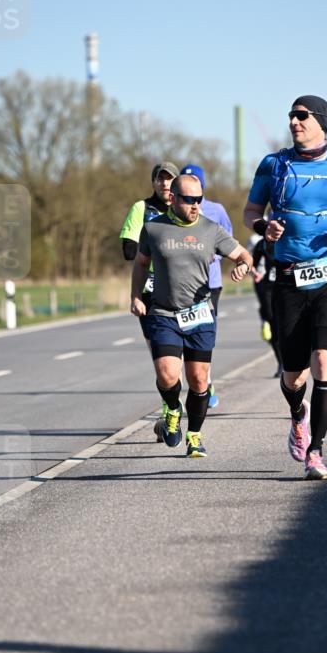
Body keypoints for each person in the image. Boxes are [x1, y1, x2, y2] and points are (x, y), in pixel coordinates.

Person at [244, 94, 327, 480]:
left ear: (321, 121)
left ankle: (316, 452)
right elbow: (251, 211)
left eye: (301, 115)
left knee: (324, 360)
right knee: (293, 376)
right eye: (291, 115)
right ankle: (297, 415)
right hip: (288, 277)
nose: (293, 121)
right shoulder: (273, 165)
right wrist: (261, 227)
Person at [130, 174, 253, 458]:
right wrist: (136, 295)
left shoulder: (211, 229)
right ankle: (173, 408)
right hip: (163, 312)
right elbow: (140, 263)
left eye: (199, 199)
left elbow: (244, 255)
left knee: (199, 380)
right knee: (168, 374)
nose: (196, 205)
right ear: (173, 198)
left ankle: (195, 436)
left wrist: (243, 268)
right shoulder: (154, 228)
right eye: (189, 200)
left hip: (199, 313)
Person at [120, 162, 179, 437]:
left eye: (169, 180)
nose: (164, 185)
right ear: (153, 183)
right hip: (150, 292)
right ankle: (170, 412)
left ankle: (198, 391)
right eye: (160, 179)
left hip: (183, 288)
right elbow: (129, 251)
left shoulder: (185, 208)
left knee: (189, 357)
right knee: (161, 357)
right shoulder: (141, 209)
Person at [179, 164, 233, 409]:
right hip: (181, 285)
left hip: (210, 284)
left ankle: (205, 381)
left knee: (203, 335)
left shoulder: (216, 210)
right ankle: (193, 383)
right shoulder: (175, 211)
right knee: (181, 336)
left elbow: (228, 240)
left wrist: (215, 257)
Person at [251, 234, 282, 375]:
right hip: (270, 289)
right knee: (274, 327)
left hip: (292, 287)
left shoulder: (294, 236)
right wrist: (254, 273)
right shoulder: (263, 244)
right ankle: (281, 363)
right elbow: (252, 262)